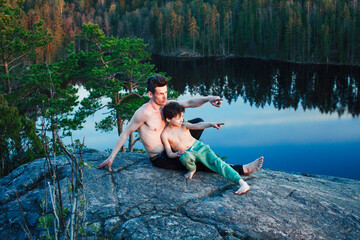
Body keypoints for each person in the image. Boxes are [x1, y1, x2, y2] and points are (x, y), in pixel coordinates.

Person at [96, 74, 263, 177]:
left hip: (175, 145)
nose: (164, 97)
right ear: (150, 94)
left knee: (197, 122)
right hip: (161, 158)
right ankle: (243, 170)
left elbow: (189, 102)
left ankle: (191, 151)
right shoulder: (143, 113)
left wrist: (209, 98)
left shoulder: (165, 104)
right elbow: (125, 133)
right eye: (160, 94)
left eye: (166, 93)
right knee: (201, 162)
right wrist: (111, 158)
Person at [161, 102, 263, 195]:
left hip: (199, 148)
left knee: (217, 163)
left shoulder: (183, 126)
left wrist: (211, 124)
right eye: (178, 118)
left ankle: (241, 182)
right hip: (188, 153)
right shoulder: (165, 135)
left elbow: (198, 125)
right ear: (169, 119)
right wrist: (177, 153)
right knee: (184, 157)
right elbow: (169, 153)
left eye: (182, 116)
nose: (181, 119)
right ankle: (192, 169)